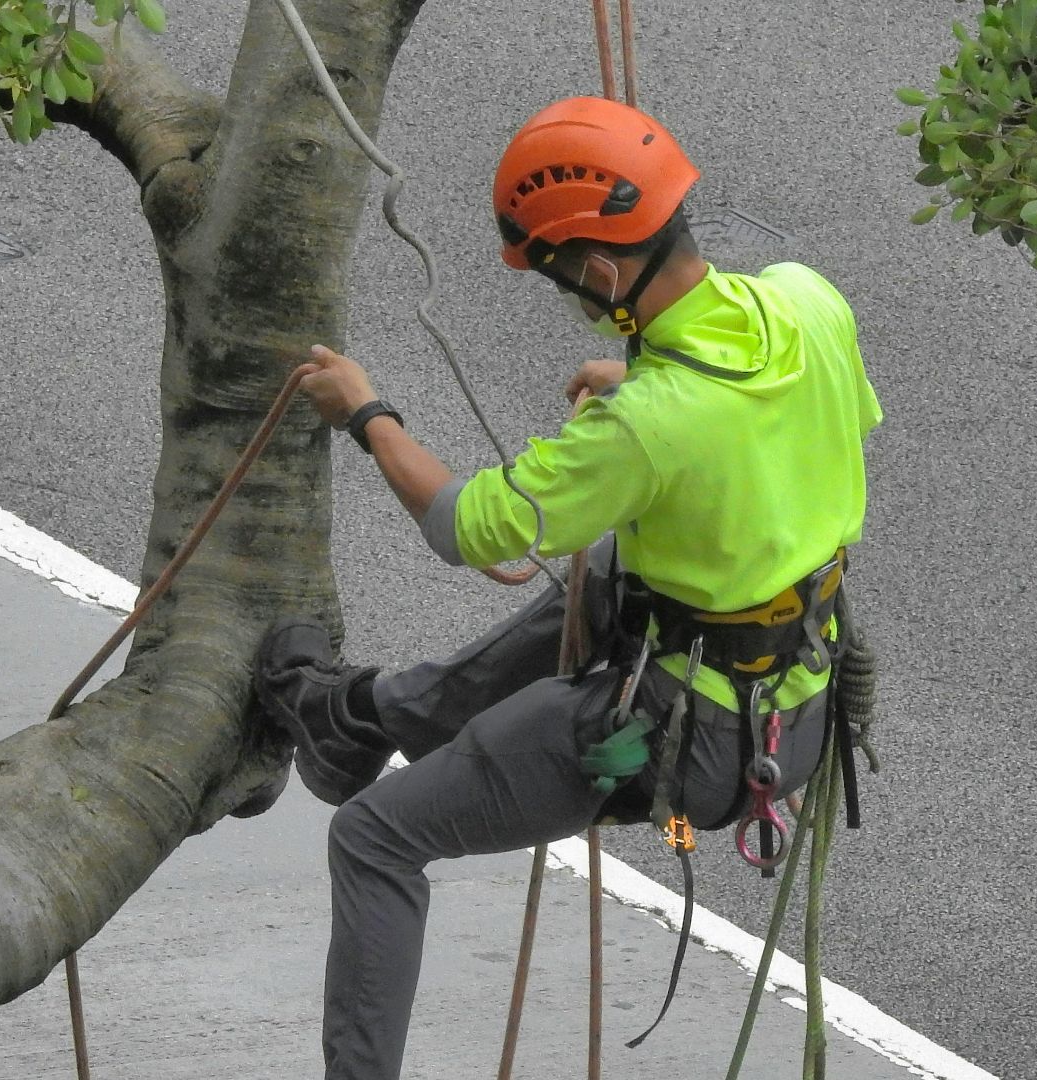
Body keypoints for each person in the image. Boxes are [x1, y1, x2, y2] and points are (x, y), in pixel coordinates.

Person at [252, 95, 883, 1080]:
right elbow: (782, 427)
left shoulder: (649, 430)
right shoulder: (808, 299)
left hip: (689, 749)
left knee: (375, 839)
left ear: (599, 269)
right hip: (797, 699)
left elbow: (465, 524)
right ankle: (362, 716)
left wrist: (366, 412)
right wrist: (644, 388)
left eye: (566, 283)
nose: (572, 300)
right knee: (619, 583)